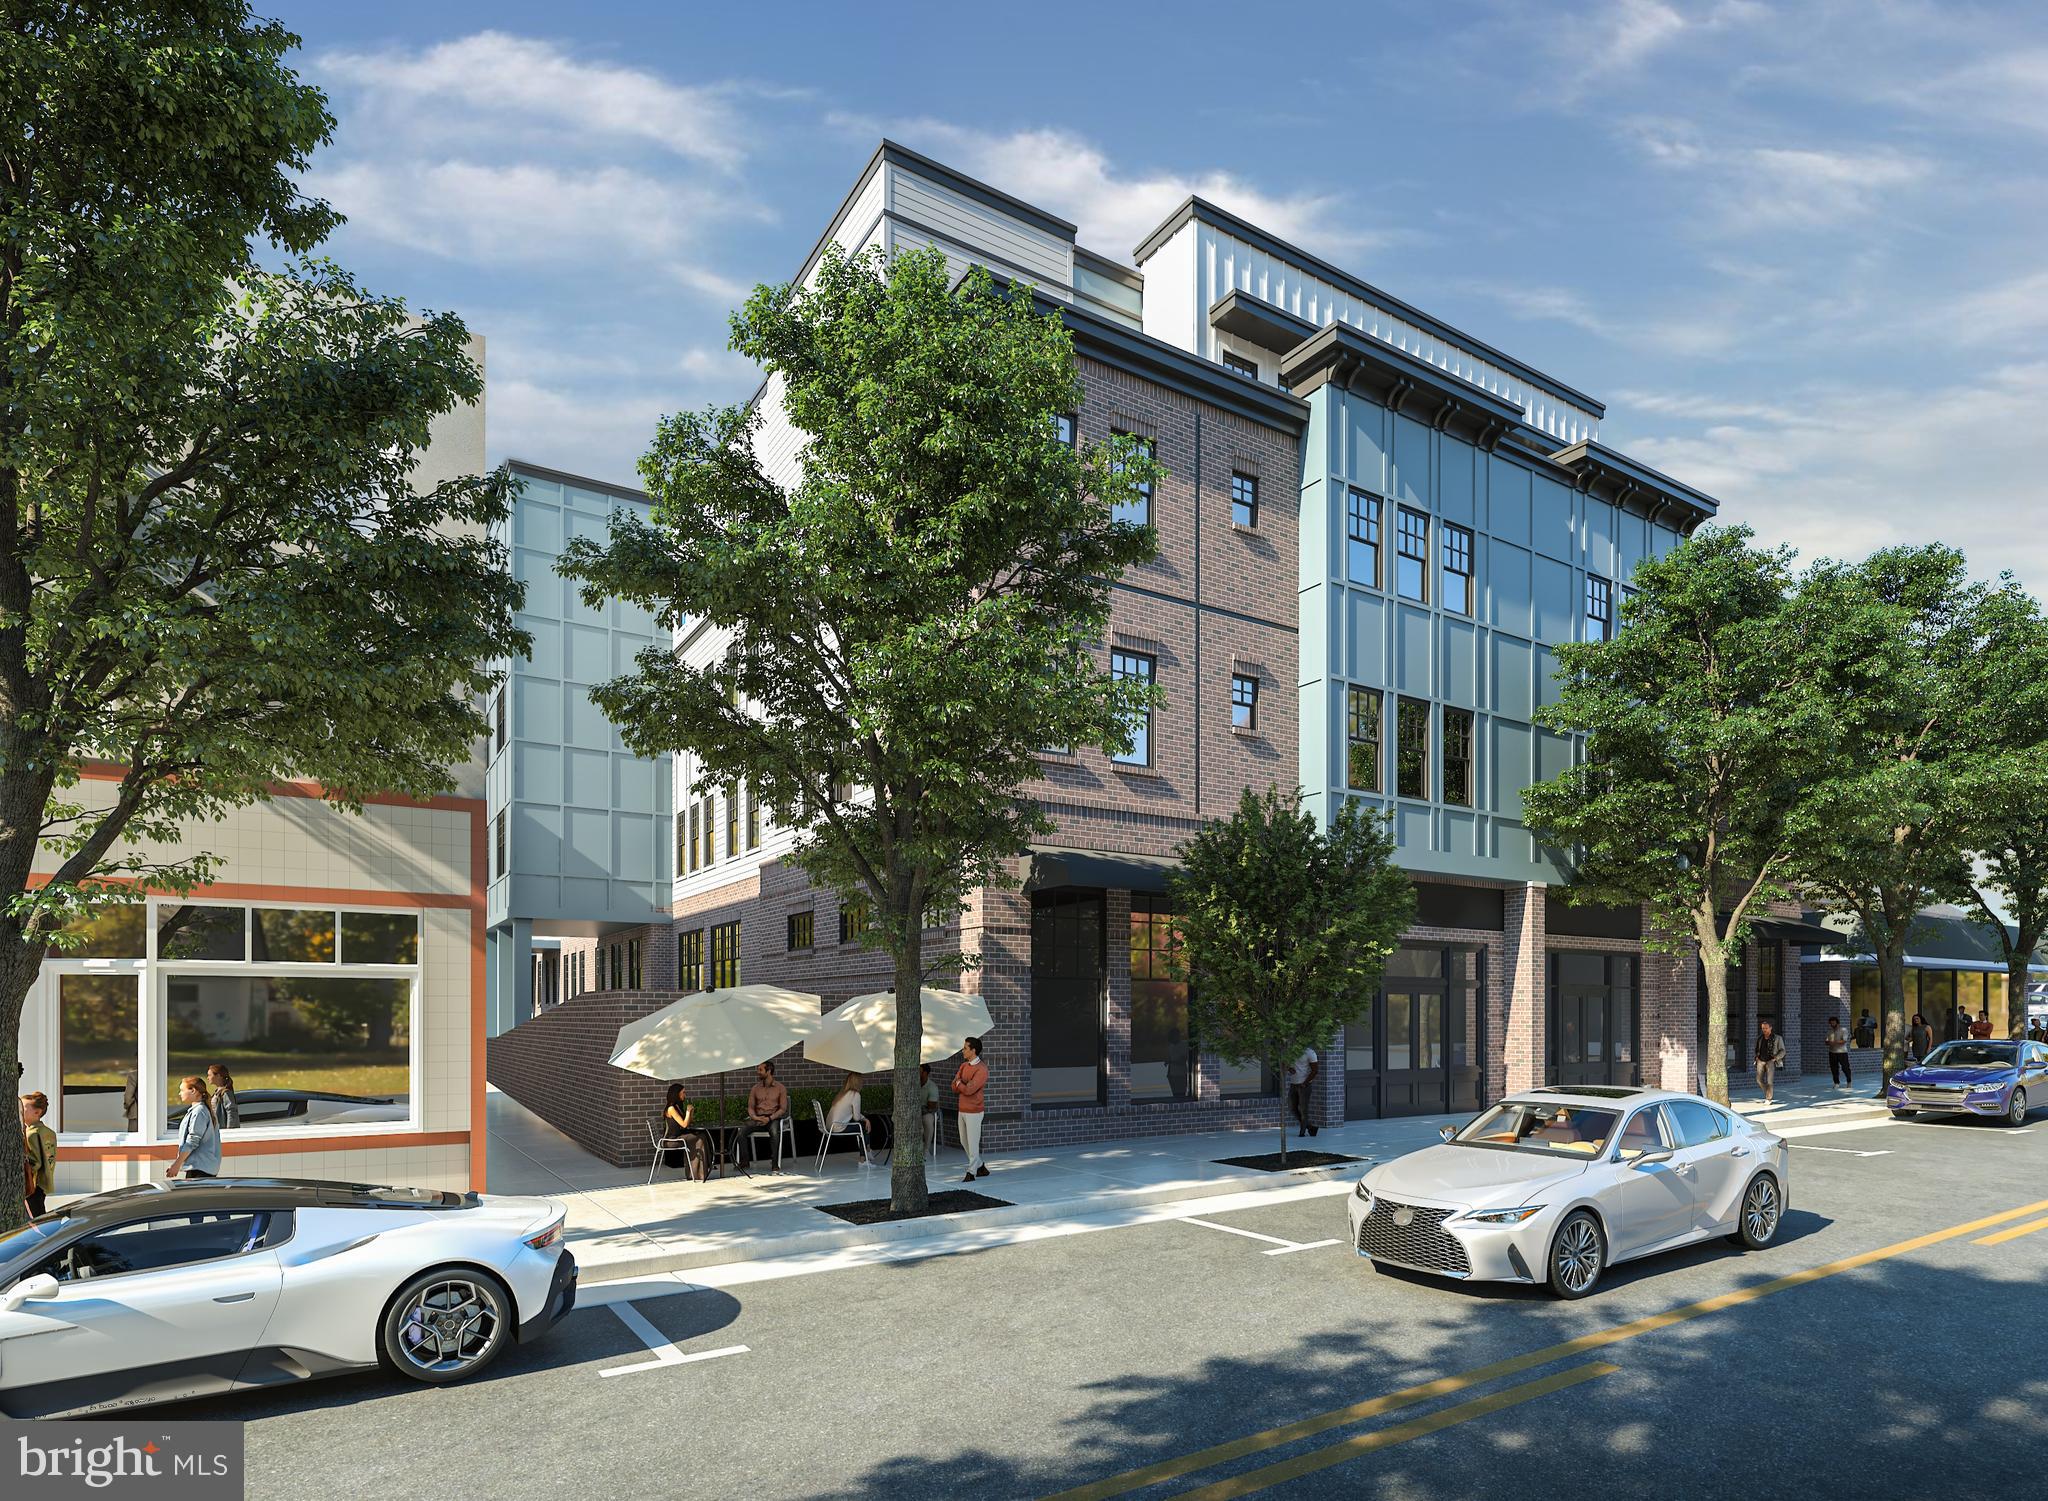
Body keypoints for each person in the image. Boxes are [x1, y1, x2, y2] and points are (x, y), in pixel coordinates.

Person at [826, 1072, 887, 1165]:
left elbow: (855, 1115)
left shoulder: (842, 1094)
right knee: (863, 1128)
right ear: (858, 1082)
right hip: (838, 1128)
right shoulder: (855, 1095)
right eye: (861, 1081)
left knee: (862, 1126)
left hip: (829, 1127)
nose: (863, 1082)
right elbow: (856, 1117)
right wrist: (866, 1120)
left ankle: (867, 1151)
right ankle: (864, 1158)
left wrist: (865, 1119)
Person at [168, 1075, 221, 1180]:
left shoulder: (199, 1111)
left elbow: (192, 1140)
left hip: (200, 1169)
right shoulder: (199, 1110)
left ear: (193, 1090)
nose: (179, 1093)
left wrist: (177, 1164)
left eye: (182, 1090)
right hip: (201, 1168)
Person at [740, 1061, 789, 1173]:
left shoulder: (780, 1088)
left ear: (769, 1071)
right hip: (758, 1118)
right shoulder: (755, 1088)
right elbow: (751, 1107)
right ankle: (745, 1161)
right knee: (741, 1132)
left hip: (773, 1118)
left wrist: (770, 1118)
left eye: (760, 1070)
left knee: (775, 1132)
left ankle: (775, 1163)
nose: (758, 1072)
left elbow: (783, 1109)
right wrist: (755, 1117)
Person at [953, 1036, 988, 1182]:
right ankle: (980, 1165)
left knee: (973, 1143)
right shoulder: (963, 1066)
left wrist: (961, 1084)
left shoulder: (982, 1069)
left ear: (973, 1050)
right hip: (962, 1109)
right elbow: (954, 1086)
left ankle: (971, 1172)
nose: (963, 1051)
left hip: (974, 1110)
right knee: (963, 1140)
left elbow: (970, 1090)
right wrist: (962, 1084)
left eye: (965, 1048)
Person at [661, 1082, 710, 1182]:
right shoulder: (671, 1109)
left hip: (678, 1137)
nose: (685, 1095)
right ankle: (699, 1172)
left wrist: (690, 1113)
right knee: (701, 1137)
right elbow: (684, 1124)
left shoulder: (677, 1107)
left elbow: (688, 1122)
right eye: (683, 1092)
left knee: (701, 1137)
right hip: (671, 1141)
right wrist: (688, 1111)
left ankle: (697, 1173)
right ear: (677, 1094)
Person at [21, 1092, 55, 1218]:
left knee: (37, 1217)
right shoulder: (47, 1132)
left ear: (37, 1112)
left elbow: (35, 1161)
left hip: (33, 1183)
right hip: (43, 1182)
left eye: (24, 1108)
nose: (20, 1111)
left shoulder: (31, 1133)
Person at [1287, 1045, 1320, 1139]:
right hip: (1293, 1084)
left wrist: (1305, 1083)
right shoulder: (1292, 1050)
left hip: (1304, 1085)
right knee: (1292, 1108)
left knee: (1303, 1110)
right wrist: (1289, 1068)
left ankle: (1302, 1132)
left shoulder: (1310, 1052)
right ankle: (1310, 1127)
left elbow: (1315, 1070)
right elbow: (1286, 1063)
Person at [1753, 1022, 1785, 1104]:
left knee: (1769, 1081)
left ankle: (1768, 1098)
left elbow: (1783, 1051)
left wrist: (1775, 1058)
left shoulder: (1777, 1038)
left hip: (1771, 1061)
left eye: (1766, 1028)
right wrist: (1756, 1057)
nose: (1764, 1030)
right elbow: (1757, 1049)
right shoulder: (1760, 1038)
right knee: (1758, 1080)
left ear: (1770, 1028)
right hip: (1760, 1060)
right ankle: (1768, 1093)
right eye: (1763, 1028)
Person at [206, 1064, 240, 1131]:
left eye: (210, 1075)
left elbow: (231, 1111)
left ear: (218, 1076)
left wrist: (230, 1130)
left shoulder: (225, 1093)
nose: (207, 1078)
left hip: (223, 1130)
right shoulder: (217, 1092)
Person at [1824, 1017, 1852, 1089]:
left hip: (1842, 1052)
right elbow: (1826, 1041)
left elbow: (1844, 1041)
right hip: (1832, 1052)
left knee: (1845, 1068)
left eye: (1833, 1022)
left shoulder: (1843, 1030)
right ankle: (1836, 1083)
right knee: (1834, 1068)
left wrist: (1834, 1042)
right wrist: (1828, 1042)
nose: (1832, 1024)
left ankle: (1849, 1081)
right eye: (1831, 1023)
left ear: (1837, 1023)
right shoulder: (1829, 1031)